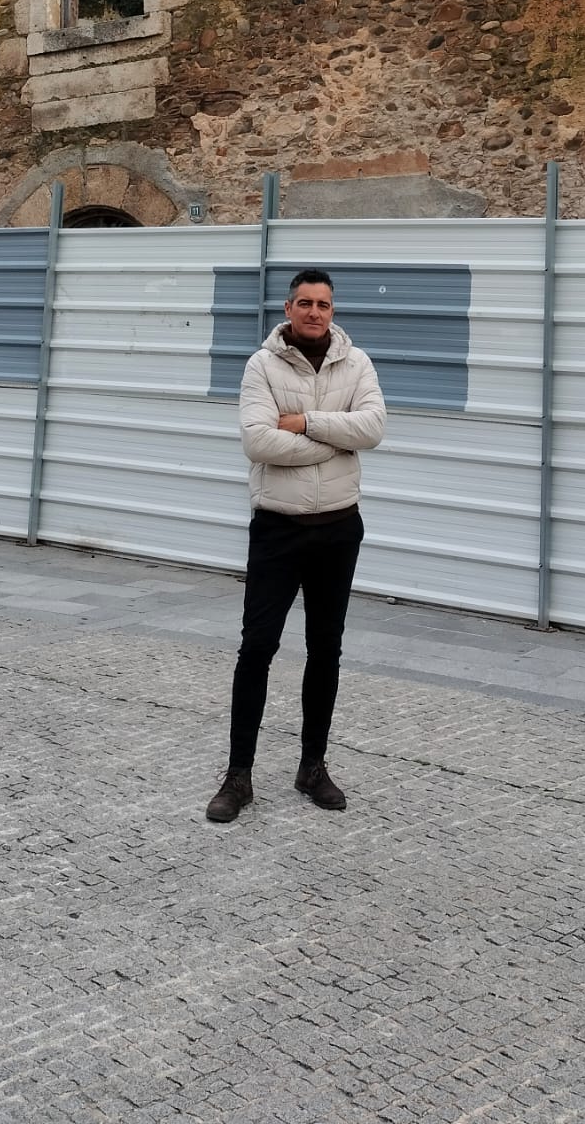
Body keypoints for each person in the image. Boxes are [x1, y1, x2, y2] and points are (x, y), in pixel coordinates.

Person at [206, 267, 387, 823]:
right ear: (288, 309)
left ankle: (312, 766)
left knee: (325, 650)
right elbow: (257, 441)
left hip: (338, 528)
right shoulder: (262, 365)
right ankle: (239, 776)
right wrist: (335, 441)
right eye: (304, 303)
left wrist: (305, 422)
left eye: (323, 304)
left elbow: (374, 427)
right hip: (278, 529)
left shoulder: (356, 363)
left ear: (333, 311)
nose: (314, 312)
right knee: (257, 648)